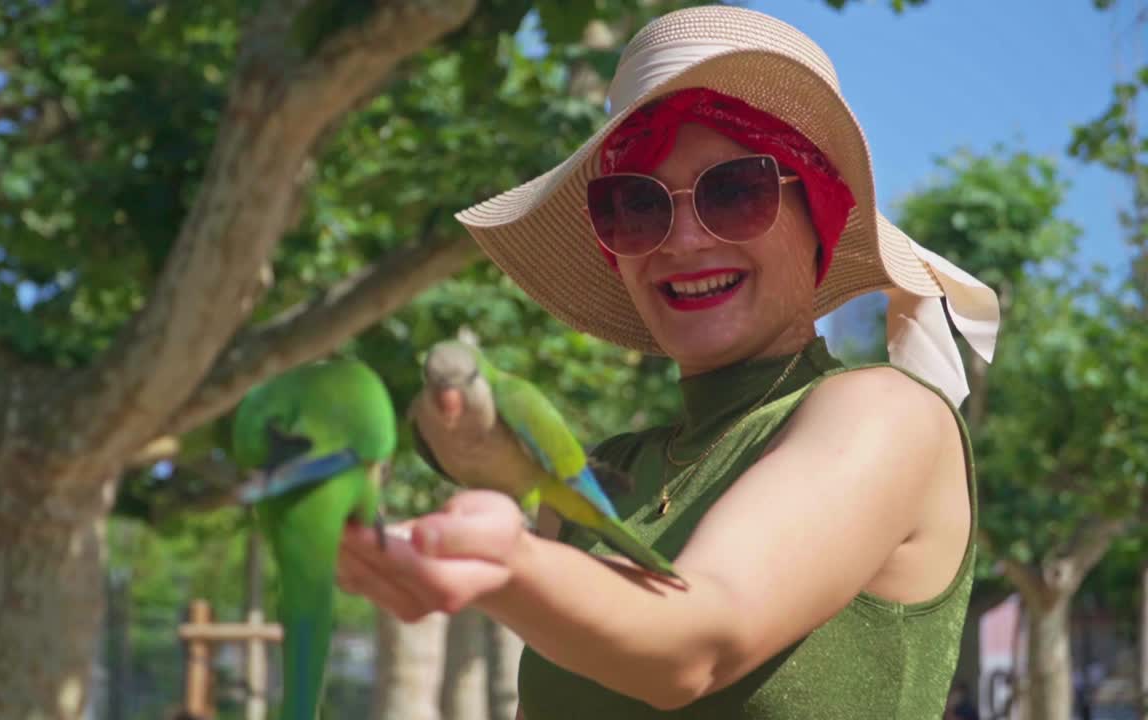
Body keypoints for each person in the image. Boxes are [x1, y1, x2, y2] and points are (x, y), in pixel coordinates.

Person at [337, 6, 1000, 718]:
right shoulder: (596, 483)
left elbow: (698, 643)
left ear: (820, 216)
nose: (681, 241)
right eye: (635, 205)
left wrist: (503, 564)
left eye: (735, 191)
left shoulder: (885, 413)